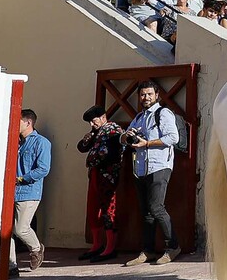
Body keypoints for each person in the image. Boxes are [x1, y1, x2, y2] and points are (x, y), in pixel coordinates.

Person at [121, 81, 182, 266]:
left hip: (159, 166)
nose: (145, 98)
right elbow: (123, 139)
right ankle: (147, 251)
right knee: (146, 212)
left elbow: (173, 137)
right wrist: (126, 136)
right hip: (140, 168)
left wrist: (147, 143)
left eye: (149, 94)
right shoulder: (139, 117)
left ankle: (173, 246)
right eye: (142, 95)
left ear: (157, 95)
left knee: (156, 207)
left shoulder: (163, 113)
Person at [76, 105, 124, 261]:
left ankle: (110, 248)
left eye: (94, 120)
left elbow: (116, 150)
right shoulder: (96, 132)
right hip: (95, 173)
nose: (92, 124)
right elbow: (81, 147)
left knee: (108, 209)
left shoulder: (113, 130)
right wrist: (87, 139)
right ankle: (97, 245)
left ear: (103, 117)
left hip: (108, 174)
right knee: (93, 208)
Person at [12, 109, 52, 276]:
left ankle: (36, 248)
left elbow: (43, 168)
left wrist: (22, 179)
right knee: (7, 231)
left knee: (20, 228)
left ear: (28, 122)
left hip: (28, 191)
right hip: (13, 191)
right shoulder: (18, 142)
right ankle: (11, 266)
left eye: (18, 120)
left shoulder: (41, 142)